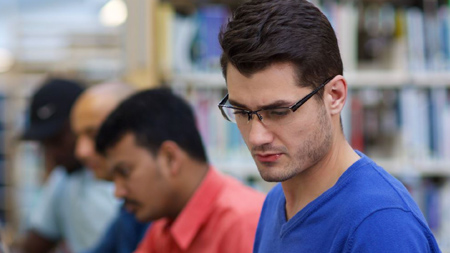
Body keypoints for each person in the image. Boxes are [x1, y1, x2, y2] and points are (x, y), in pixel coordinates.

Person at [218, 0, 441, 252]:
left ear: (334, 96)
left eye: (278, 112)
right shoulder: (276, 202)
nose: (256, 137)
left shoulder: (380, 225)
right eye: (241, 111)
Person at [95, 88, 265, 253]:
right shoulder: (164, 226)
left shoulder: (244, 224)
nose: (118, 192)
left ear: (170, 158)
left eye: (125, 172)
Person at [21, 78, 118, 253]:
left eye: (57, 140)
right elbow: (34, 244)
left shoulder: (123, 185)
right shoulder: (63, 180)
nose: (51, 155)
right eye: (44, 145)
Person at [70, 83, 150, 253]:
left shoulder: (155, 205)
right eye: (78, 137)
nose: (81, 152)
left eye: (93, 135)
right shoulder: (129, 204)